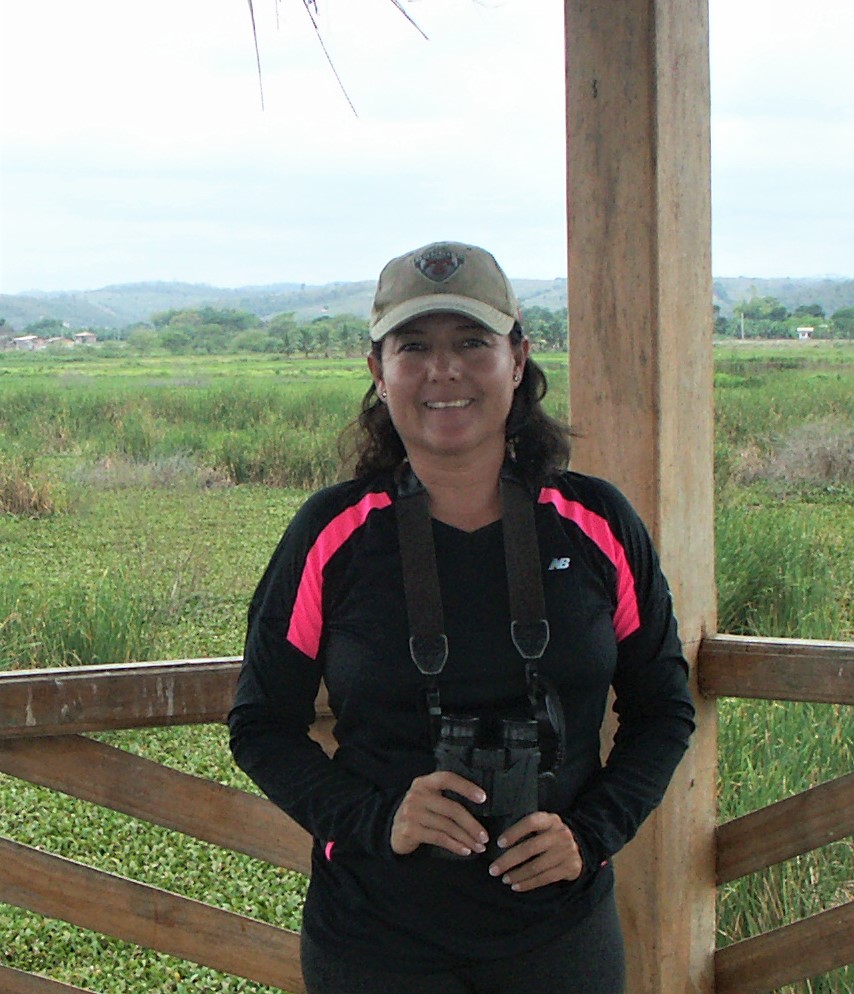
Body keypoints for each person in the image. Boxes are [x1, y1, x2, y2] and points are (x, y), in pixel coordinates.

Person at [228, 241, 696, 994]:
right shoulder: (332, 533)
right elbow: (261, 726)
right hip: (374, 935)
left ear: (517, 359)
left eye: (471, 343)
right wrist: (379, 820)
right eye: (413, 347)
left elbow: (663, 707)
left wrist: (589, 834)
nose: (443, 371)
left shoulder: (596, 522)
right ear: (377, 371)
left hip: (559, 932)